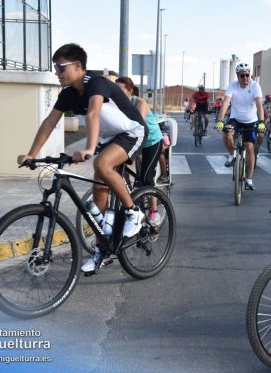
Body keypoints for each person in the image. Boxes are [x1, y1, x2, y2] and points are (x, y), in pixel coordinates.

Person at [17, 43, 147, 273]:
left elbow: (94, 113)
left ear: (78, 66)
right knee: (99, 190)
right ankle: (101, 251)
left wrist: (88, 149)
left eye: (60, 68)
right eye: (55, 68)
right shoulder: (68, 94)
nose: (57, 73)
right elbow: (49, 123)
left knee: (101, 163)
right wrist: (32, 154)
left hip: (131, 131)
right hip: (108, 137)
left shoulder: (95, 83)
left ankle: (133, 212)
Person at [115, 77, 164, 226]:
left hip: (151, 141)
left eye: (120, 90)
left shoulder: (140, 103)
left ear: (130, 91)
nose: (116, 93)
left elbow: (139, 125)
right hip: (133, 141)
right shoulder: (117, 104)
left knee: (146, 179)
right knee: (117, 168)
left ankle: (154, 212)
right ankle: (130, 193)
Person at [215, 62, 265, 191]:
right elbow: (226, 101)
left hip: (251, 120)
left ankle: (249, 179)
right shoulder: (232, 86)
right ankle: (232, 155)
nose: (245, 78)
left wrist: (261, 121)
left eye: (247, 75)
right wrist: (220, 120)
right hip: (235, 119)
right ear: (237, 76)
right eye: (242, 76)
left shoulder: (255, 86)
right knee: (226, 132)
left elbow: (259, 105)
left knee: (249, 147)